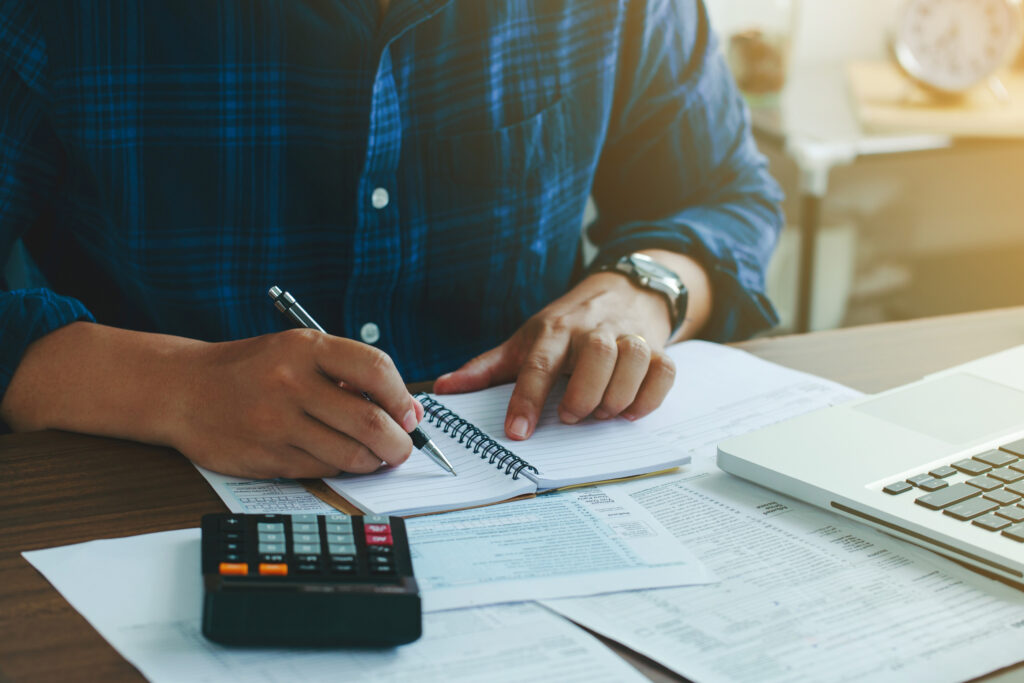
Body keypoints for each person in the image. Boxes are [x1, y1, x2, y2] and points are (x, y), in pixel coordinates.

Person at [0, 0, 783, 479]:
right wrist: (179, 387)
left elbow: (723, 195)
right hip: (143, 509)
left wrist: (642, 289)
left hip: (537, 490)